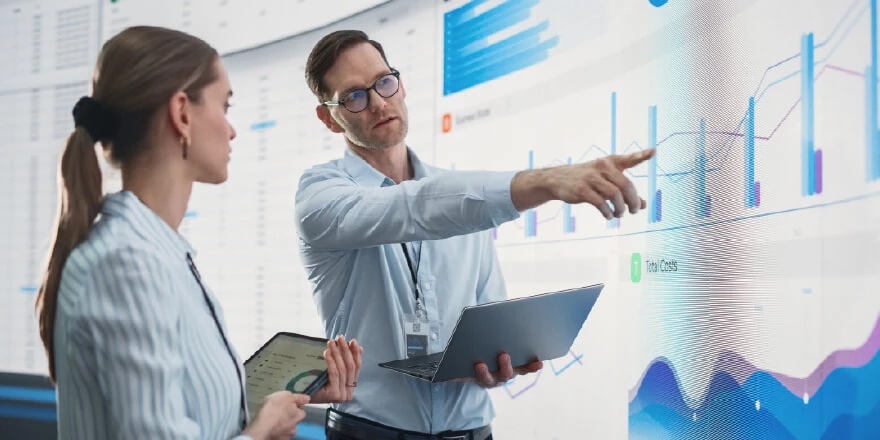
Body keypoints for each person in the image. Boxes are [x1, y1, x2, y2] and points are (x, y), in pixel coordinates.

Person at [295, 30, 655, 440]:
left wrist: (496, 363)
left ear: (400, 83)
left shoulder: (461, 199)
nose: (379, 102)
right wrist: (547, 182)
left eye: (384, 82)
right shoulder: (321, 195)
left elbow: (488, 312)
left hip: (472, 430)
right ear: (328, 117)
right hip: (369, 431)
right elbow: (410, 207)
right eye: (355, 96)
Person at [33, 26, 363, 440]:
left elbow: (181, 408)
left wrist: (286, 393)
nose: (231, 129)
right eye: (224, 106)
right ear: (182, 113)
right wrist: (261, 432)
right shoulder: (127, 264)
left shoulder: (155, 253)